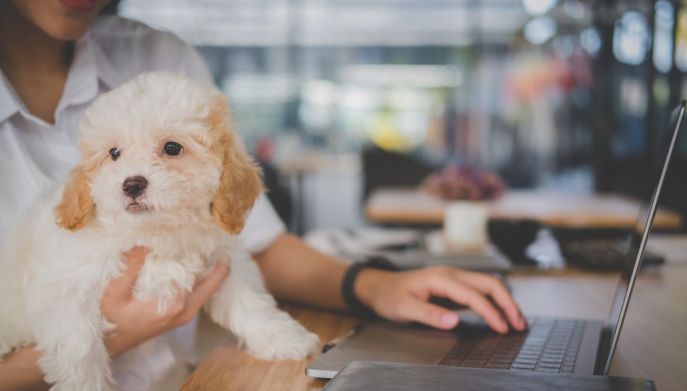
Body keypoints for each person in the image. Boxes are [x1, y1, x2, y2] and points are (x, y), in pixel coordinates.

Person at [0, 0, 526, 389]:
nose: (135, 174)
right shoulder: (72, 209)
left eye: (170, 150)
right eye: (116, 158)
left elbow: (250, 247)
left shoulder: (155, 54)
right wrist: (115, 335)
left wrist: (375, 286)